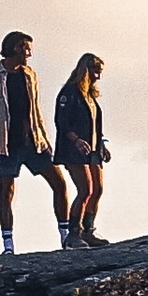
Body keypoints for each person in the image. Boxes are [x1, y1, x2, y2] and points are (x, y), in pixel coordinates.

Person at [0, 30, 72, 255]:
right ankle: (8, 246)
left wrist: (45, 139)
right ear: (15, 48)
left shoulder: (30, 75)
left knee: (59, 183)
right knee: (7, 192)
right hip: (7, 144)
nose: (29, 53)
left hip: (34, 142)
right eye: (26, 48)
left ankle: (66, 236)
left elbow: (36, 110)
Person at [53, 53, 112, 246]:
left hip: (93, 149)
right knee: (85, 189)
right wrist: (76, 140)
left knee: (98, 189)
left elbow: (94, 124)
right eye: (95, 71)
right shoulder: (69, 93)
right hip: (74, 150)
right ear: (85, 70)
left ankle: (89, 230)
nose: (98, 76)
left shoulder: (90, 96)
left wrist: (101, 144)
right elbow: (61, 121)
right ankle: (74, 234)